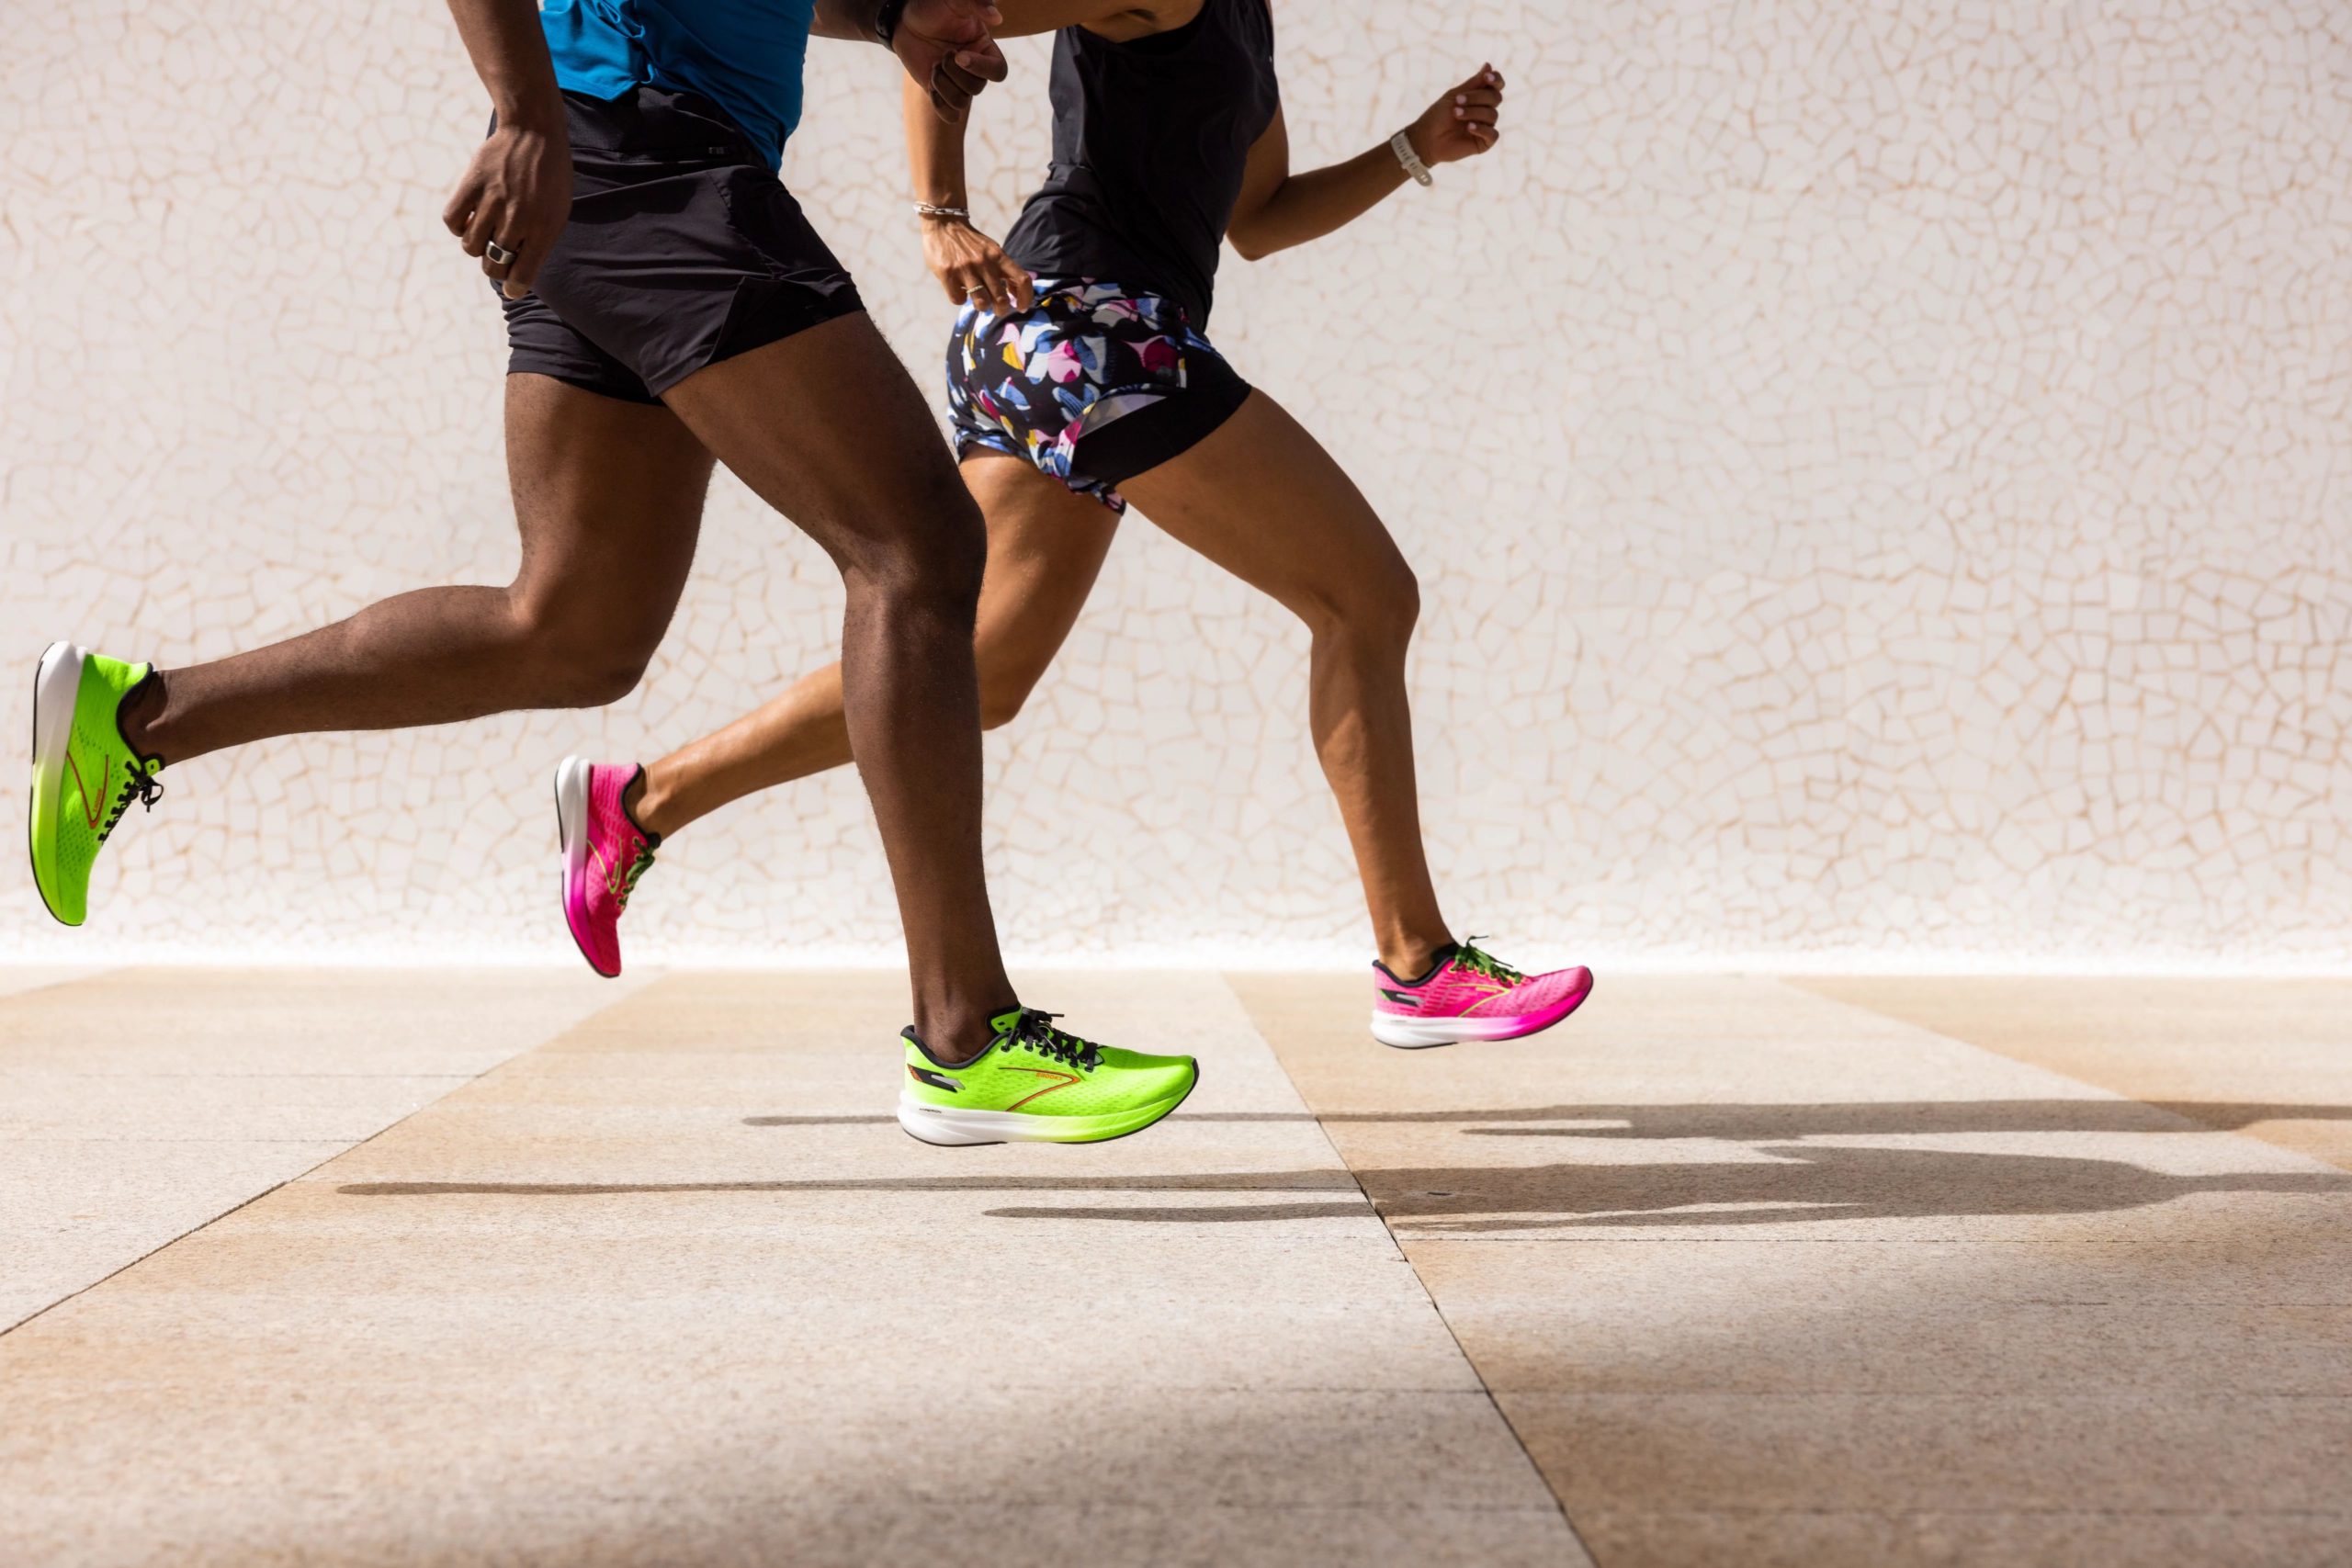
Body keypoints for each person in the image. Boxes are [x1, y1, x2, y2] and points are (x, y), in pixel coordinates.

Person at [28, 0, 1198, 1147]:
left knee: (575, 628)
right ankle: (967, 1035)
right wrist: (526, 116)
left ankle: (136, 718)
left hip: (625, 161)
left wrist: (884, 20)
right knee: (919, 551)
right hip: (639, 152)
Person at [556, 0, 1594, 1049]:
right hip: (1095, 334)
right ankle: (1419, 963)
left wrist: (1416, 148)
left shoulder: (1242, 18)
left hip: (1061, 344)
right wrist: (939, 211)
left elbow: (1260, 217)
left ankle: (639, 805)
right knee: (1365, 598)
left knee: (985, 670)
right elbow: (940, 15)